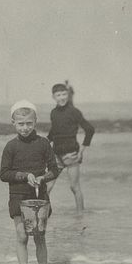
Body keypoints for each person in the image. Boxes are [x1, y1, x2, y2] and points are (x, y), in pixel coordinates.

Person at [0, 100, 59, 264]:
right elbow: (3, 174)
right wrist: (25, 176)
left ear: (35, 122)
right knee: (22, 236)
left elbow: (54, 170)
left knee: (39, 237)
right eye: (21, 124)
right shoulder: (11, 146)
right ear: (13, 123)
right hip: (17, 196)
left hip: (39, 196)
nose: (25, 128)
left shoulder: (43, 144)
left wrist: (43, 178)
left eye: (29, 124)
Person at [47, 82, 95, 214]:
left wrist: (82, 150)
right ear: (53, 97)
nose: (62, 97)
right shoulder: (53, 113)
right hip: (56, 155)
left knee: (74, 187)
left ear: (68, 95)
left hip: (71, 154)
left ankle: (80, 217)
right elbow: (53, 132)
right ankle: (43, 216)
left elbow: (90, 129)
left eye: (64, 94)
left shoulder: (74, 112)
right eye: (58, 95)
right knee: (47, 187)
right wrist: (43, 145)